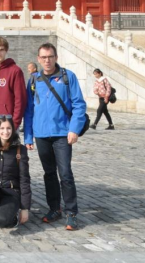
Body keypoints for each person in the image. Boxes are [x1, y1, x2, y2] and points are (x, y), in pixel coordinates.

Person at [24, 43, 86, 231]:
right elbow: (29, 110)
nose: (47, 60)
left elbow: (79, 105)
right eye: (43, 57)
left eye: (50, 56)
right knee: (49, 174)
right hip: (41, 133)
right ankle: (54, 209)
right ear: (38, 59)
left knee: (65, 173)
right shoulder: (34, 80)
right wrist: (28, 136)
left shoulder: (67, 77)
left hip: (62, 133)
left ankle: (71, 212)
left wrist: (74, 129)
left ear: (56, 57)